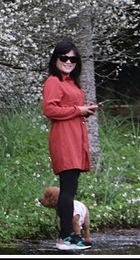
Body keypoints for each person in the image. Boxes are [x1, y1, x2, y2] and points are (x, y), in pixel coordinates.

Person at [42, 40, 98, 251]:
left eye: (72, 58)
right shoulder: (53, 82)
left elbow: (70, 107)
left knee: (70, 190)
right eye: (64, 57)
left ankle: (70, 235)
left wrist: (86, 109)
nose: (68, 62)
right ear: (56, 59)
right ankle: (64, 237)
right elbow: (50, 110)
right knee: (67, 190)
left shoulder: (71, 83)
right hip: (64, 139)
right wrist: (78, 110)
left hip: (75, 138)